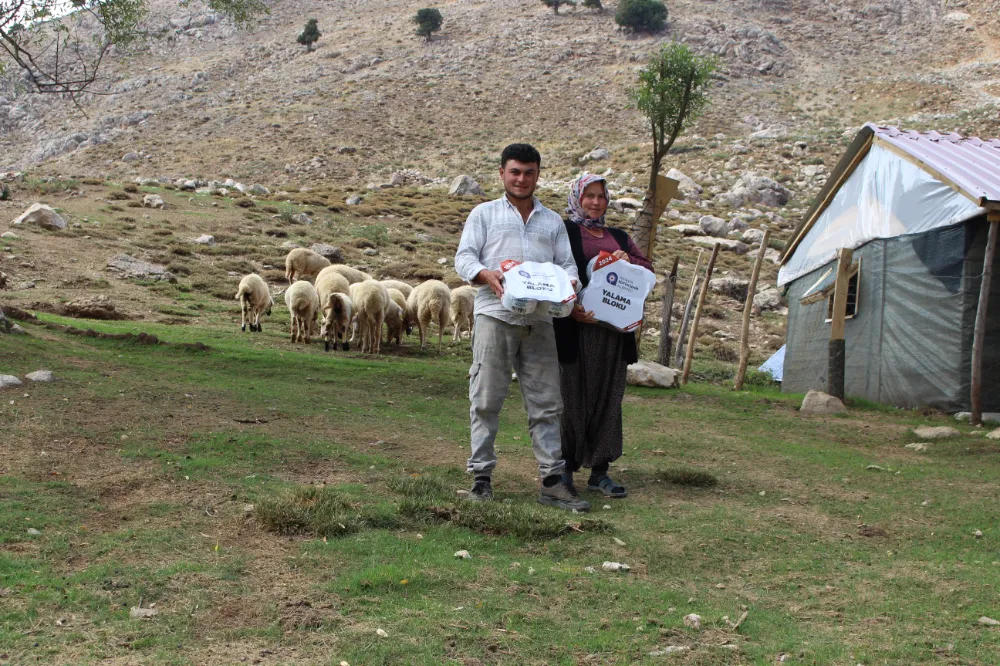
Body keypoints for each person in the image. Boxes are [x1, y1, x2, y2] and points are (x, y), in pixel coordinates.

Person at [454, 143, 590, 512]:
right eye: (515, 171)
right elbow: (464, 256)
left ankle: (551, 482)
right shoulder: (483, 214)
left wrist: (570, 285)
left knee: (547, 402)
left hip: (540, 321)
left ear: (538, 175)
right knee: (485, 398)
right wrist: (485, 273)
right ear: (502, 173)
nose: (521, 179)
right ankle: (481, 479)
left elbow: (567, 266)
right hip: (494, 316)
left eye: (529, 172)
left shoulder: (552, 223)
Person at [553, 173, 653, 499]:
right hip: (576, 330)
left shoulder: (620, 237)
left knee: (609, 399)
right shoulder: (564, 232)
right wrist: (571, 307)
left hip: (613, 335)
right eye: (589, 196)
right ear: (577, 198)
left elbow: (646, 269)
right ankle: (565, 468)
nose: (595, 202)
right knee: (571, 399)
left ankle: (600, 471)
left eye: (601, 196)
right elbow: (554, 271)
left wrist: (628, 261)